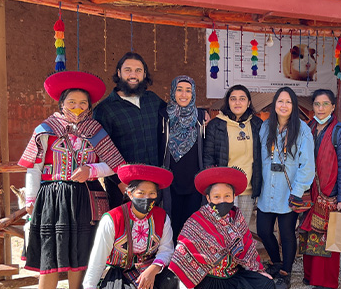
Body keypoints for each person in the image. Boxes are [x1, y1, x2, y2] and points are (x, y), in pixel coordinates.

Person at [14, 71, 125, 289]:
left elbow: (114, 164)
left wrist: (91, 171)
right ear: (61, 103)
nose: (78, 107)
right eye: (72, 102)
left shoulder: (95, 131)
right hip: (52, 198)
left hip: (84, 197)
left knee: (80, 250)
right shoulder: (45, 130)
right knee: (50, 253)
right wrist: (31, 199)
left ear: (90, 106)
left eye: (83, 103)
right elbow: (33, 166)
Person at [166, 167, 284, 289]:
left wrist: (260, 273)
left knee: (266, 285)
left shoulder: (237, 219)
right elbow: (183, 264)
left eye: (227, 197)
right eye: (217, 197)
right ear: (208, 198)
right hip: (207, 283)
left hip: (234, 278)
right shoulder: (196, 223)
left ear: (234, 197)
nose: (223, 201)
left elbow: (248, 252)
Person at [82, 164, 181, 289]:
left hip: (150, 269)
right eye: (141, 193)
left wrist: (153, 270)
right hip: (119, 273)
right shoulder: (112, 219)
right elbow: (97, 260)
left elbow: (167, 249)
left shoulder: (161, 217)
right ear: (129, 193)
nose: (147, 198)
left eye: (152, 194)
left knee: (173, 285)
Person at [256, 87, 315, 289]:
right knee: (263, 230)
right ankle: (276, 261)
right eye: (280, 101)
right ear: (274, 104)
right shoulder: (265, 127)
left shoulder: (302, 130)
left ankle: (285, 273)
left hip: (288, 190)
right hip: (267, 190)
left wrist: (298, 191)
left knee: (287, 234)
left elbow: (307, 165)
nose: (283, 105)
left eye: (288, 102)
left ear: (294, 106)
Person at [93, 52, 165, 209]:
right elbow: (101, 151)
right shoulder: (104, 109)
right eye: (128, 70)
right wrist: (121, 184)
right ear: (119, 73)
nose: (133, 75)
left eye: (138, 70)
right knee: (124, 231)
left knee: (154, 229)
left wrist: (201, 114)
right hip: (124, 189)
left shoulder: (153, 100)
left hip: (154, 186)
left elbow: (176, 115)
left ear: (145, 74)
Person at [298, 89, 341, 289]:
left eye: (325, 104)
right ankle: (310, 275)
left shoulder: (340, 131)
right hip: (310, 191)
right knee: (309, 234)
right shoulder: (308, 128)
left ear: (332, 106)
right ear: (312, 107)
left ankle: (327, 282)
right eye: (317, 104)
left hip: (330, 193)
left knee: (327, 237)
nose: (321, 109)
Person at [203, 84, 263, 226]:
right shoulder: (216, 125)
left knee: (242, 228)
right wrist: (213, 186)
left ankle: (241, 249)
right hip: (225, 189)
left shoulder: (257, 124)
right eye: (233, 99)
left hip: (248, 188)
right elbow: (208, 157)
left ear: (248, 103)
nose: (237, 102)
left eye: (242, 99)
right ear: (228, 102)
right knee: (223, 228)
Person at [160, 75, 207, 241]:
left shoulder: (200, 117)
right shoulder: (163, 116)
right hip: (171, 181)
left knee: (192, 224)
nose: (184, 94)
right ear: (173, 92)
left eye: (188, 90)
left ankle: (188, 261)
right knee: (171, 222)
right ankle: (171, 260)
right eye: (179, 89)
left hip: (194, 181)